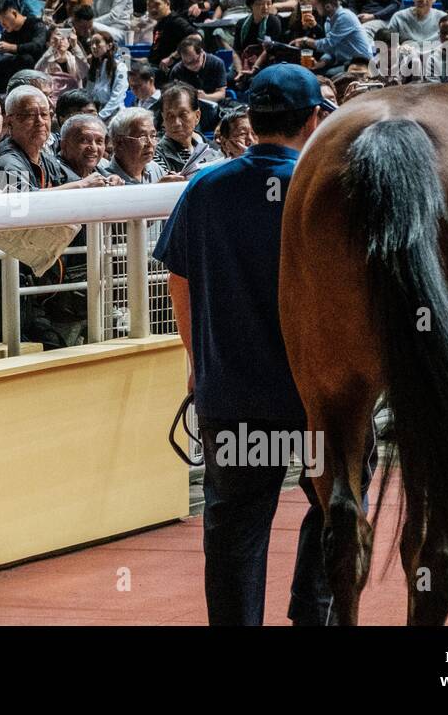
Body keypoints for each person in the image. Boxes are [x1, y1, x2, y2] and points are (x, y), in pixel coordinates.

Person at [155, 63, 348, 626]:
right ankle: (314, 610)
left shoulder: (206, 187)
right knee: (336, 507)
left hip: (233, 396)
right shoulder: (331, 189)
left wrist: (198, 366)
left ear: (251, 118)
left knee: (235, 531)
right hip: (318, 399)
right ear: (314, 118)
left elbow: (179, 280)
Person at [0, 0, 49, 93]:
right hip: (11, 71)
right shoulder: (6, 33)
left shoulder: (36, 24)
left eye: (4, 21)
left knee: (25, 59)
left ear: (14, 13)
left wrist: (13, 47)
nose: (3, 25)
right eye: (0, 22)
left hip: (35, 67)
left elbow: (37, 45)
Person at [100, 107, 181, 185]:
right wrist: (158, 188)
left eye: (153, 136)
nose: (150, 144)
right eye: (142, 137)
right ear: (119, 142)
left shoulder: (154, 168)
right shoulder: (106, 179)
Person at [155, 83, 221, 174]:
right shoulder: (156, 156)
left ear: (197, 116)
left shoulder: (212, 150)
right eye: (170, 116)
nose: (176, 123)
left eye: (183, 115)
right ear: (163, 118)